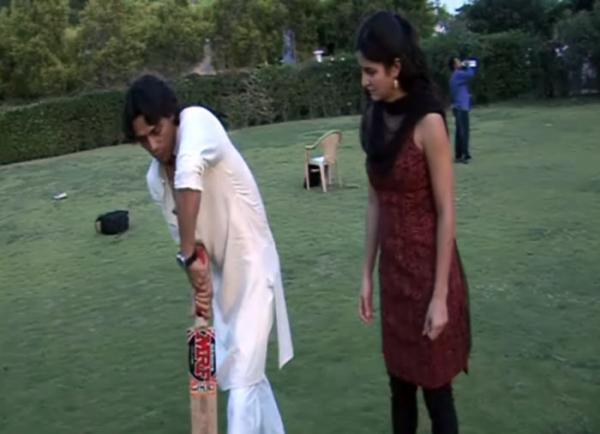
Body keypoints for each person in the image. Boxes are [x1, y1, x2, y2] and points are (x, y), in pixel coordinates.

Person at [122, 74, 294, 434]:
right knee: (244, 375)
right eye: (143, 139)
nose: (153, 145)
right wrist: (199, 283)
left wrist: (188, 258)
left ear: (172, 116)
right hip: (222, 279)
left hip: (254, 265)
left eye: (157, 131)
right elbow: (192, 244)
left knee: (243, 383)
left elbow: (189, 177)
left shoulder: (198, 122)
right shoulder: (156, 180)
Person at [356, 11, 471, 434]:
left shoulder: (429, 122)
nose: (365, 81)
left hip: (429, 275)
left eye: (371, 71)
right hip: (395, 278)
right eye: (362, 72)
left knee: (437, 393)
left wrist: (440, 296)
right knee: (399, 387)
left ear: (396, 68)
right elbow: (374, 199)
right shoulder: (372, 117)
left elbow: (446, 212)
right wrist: (366, 273)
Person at [448, 56, 476, 163]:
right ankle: (465, 155)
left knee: (459, 132)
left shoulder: (454, 76)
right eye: (458, 61)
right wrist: (468, 65)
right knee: (464, 131)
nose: (460, 62)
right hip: (462, 107)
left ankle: (458, 155)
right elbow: (471, 74)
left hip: (457, 106)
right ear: (454, 65)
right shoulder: (459, 74)